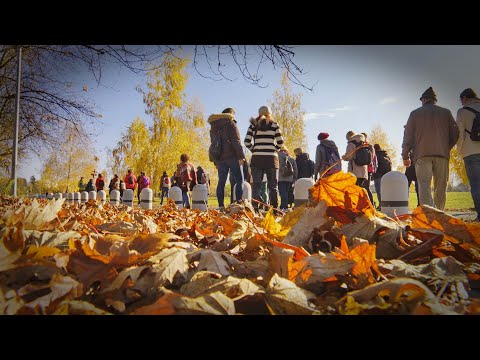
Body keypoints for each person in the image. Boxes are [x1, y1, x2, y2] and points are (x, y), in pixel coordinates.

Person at [401, 87, 459, 210]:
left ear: (424, 100)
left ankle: (429, 214)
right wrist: (446, 147)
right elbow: (455, 133)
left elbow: (408, 136)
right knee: (440, 186)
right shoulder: (446, 113)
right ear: (434, 100)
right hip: (442, 155)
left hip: (422, 156)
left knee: (424, 185)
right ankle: (439, 213)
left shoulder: (415, 114)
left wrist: (405, 156)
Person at [244, 105, 284, 213]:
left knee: (256, 185)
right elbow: (280, 142)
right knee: (273, 186)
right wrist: (274, 150)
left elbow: (247, 142)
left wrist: (255, 150)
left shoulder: (253, 125)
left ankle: (255, 209)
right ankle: (275, 209)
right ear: (269, 113)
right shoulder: (275, 125)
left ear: (259, 113)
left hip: (257, 159)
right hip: (271, 159)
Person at [208, 107, 245, 210]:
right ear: (231, 115)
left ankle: (220, 206)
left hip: (220, 159)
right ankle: (238, 204)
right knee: (239, 180)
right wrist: (241, 156)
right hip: (232, 157)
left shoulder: (214, 126)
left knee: (221, 182)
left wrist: (216, 160)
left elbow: (214, 144)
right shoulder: (231, 124)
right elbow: (236, 141)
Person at [456, 88, 480, 221]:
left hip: (471, 152)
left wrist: (459, 150)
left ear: (465, 98)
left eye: (461, 100)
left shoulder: (462, 112)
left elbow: (460, 135)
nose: (461, 103)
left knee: (477, 184)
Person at [342, 131, 369, 196]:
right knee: (360, 190)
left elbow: (349, 157)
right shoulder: (363, 143)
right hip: (363, 172)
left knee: (354, 192)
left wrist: (343, 157)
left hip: (354, 172)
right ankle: (363, 204)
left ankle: (356, 205)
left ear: (348, 137)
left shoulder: (351, 144)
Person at [278, 145, 298, 211]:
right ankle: (284, 206)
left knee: (282, 192)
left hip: (280, 178)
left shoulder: (277, 157)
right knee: (286, 192)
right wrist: (294, 178)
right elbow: (295, 169)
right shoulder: (291, 158)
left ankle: (283, 206)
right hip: (289, 178)